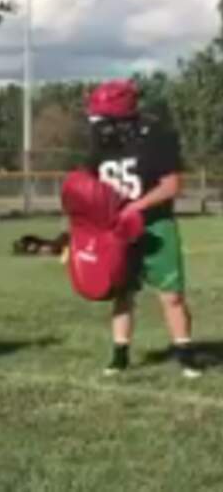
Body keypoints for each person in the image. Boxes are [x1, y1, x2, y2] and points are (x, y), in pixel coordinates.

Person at [85, 80, 202, 378]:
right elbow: (90, 187)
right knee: (122, 293)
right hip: (117, 230)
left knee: (171, 295)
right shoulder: (101, 144)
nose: (100, 126)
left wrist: (136, 207)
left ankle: (185, 355)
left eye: (105, 119)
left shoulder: (156, 138)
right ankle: (119, 355)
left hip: (156, 226)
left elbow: (171, 186)